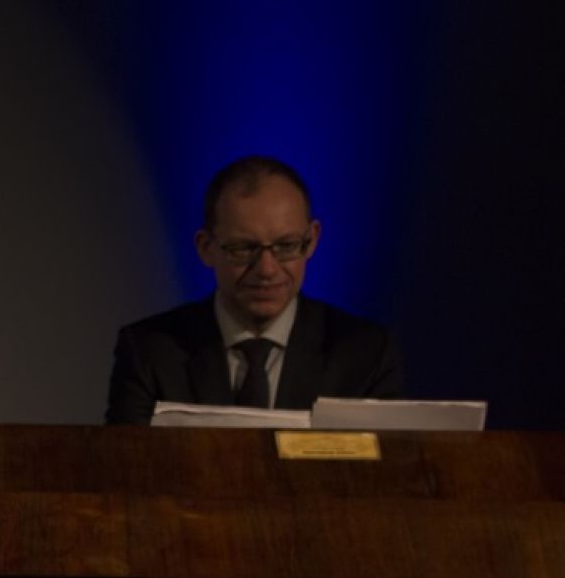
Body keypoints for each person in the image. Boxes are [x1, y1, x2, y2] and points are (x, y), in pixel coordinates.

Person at [105, 155, 403, 424]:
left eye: (286, 246)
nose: (267, 270)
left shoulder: (365, 354)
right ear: (206, 248)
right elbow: (126, 475)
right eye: (244, 249)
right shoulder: (150, 353)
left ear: (311, 241)